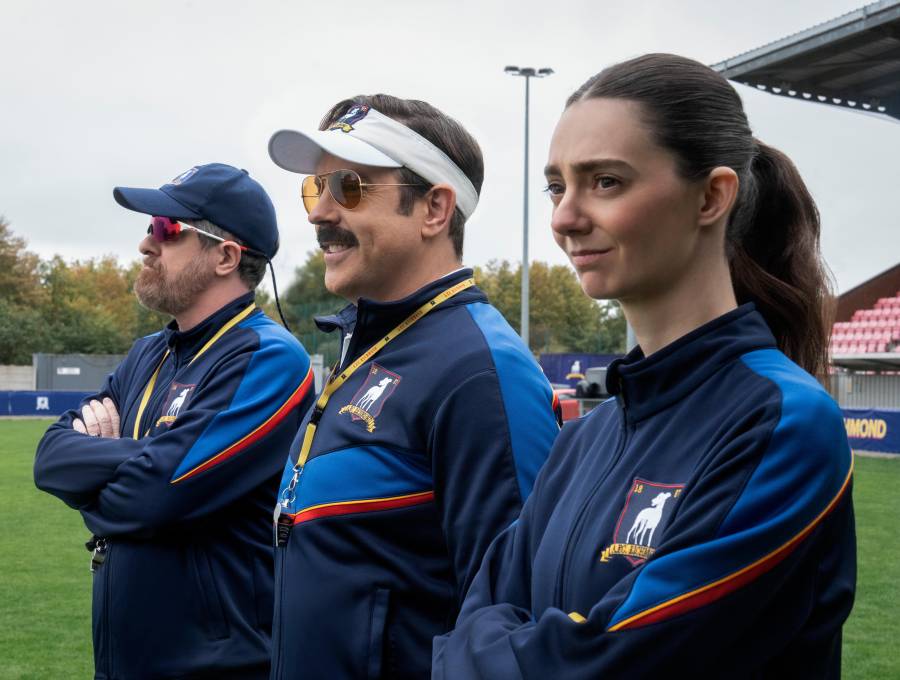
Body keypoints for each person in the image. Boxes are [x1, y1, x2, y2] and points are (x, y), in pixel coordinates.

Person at [434, 54, 856, 679]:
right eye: (557, 186)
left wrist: (495, 651)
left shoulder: (782, 424)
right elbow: (466, 624)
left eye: (606, 181)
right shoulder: (581, 440)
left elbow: (606, 664)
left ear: (712, 196)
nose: (564, 218)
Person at [266, 95, 561, 679]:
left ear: (433, 208)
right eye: (315, 187)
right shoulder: (376, 341)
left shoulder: (480, 371)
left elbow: (514, 626)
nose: (318, 212)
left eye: (348, 186)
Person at [34, 163, 315, 679]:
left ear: (226, 256)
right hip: (124, 661)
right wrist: (146, 457)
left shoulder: (267, 357)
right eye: (149, 228)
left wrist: (109, 473)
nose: (146, 243)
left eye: (166, 228)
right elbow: (50, 457)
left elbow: (154, 494)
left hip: (217, 666)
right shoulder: (148, 352)